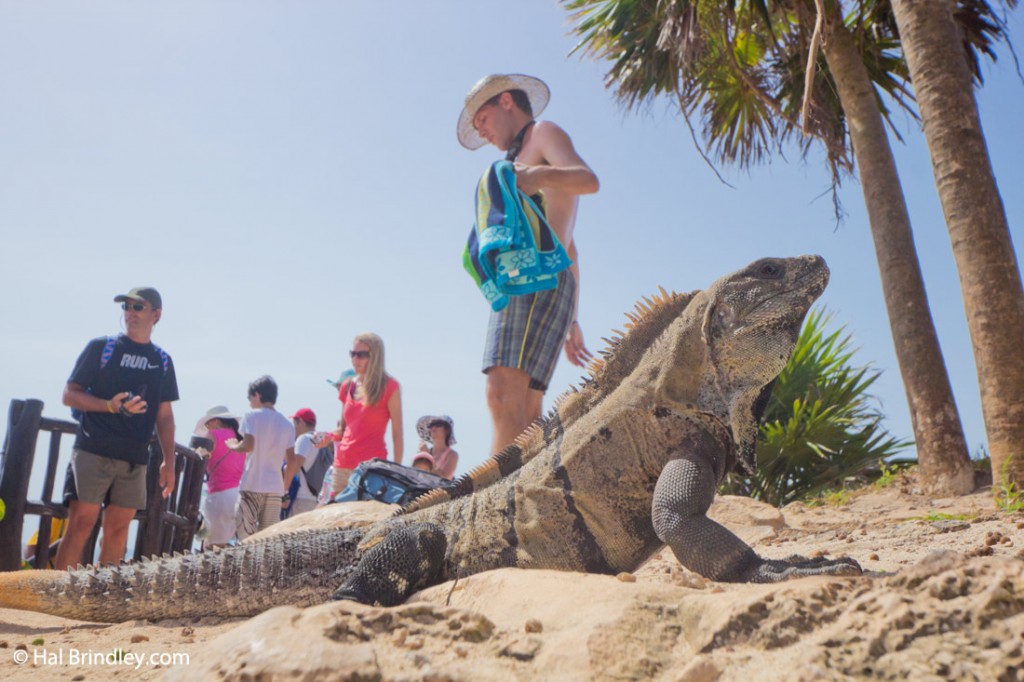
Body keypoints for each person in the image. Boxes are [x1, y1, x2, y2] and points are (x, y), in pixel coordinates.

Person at [458, 73, 599, 455]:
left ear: (505, 101)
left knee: (502, 391)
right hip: (556, 279)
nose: (482, 132)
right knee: (528, 404)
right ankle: (530, 499)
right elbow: (569, 245)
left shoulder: (542, 134)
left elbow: (588, 179)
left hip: (531, 274)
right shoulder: (513, 161)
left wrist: (536, 175)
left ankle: (497, 503)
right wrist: (572, 317)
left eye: (482, 120)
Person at [54, 287, 178, 570]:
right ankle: (54, 598)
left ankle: (100, 599)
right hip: (92, 450)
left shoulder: (162, 361)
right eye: (126, 307)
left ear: (156, 315)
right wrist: (109, 405)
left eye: (138, 307)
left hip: (134, 457)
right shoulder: (102, 347)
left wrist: (168, 462)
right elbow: (69, 395)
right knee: (81, 525)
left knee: (119, 531)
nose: (130, 313)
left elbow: (165, 415)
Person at [322, 333, 403, 499]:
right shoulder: (348, 386)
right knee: (335, 523)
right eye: (353, 354)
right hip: (342, 465)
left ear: (376, 356)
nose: (355, 359)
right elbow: (343, 429)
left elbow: (397, 434)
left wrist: (396, 472)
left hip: (371, 468)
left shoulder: (390, 386)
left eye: (361, 355)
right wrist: (328, 436)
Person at [226, 376, 296, 540]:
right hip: (275, 488)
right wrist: (284, 488)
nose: (250, 403)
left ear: (257, 395)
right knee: (268, 541)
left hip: (252, 484)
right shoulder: (287, 423)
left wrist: (233, 446)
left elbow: (248, 446)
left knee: (245, 538)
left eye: (250, 398)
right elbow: (291, 461)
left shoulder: (252, 416)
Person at [193, 405, 245, 549]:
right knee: (219, 542)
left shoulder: (213, 435)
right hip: (236, 495)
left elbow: (199, 456)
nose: (207, 427)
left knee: (213, 546)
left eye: (208, 423)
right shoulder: (239, 439)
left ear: (215, 421)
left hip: (218, 495)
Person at [288, 407, 321, 517]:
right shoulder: (321, 440)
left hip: (302, 499)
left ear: (300, 421)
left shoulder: (304, 439)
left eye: (294, 423)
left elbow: (294, 467)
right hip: (316, 499)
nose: (294, 427)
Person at [414, 414, 459, 480]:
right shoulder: (425, 452)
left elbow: (445, 476)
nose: (433, 428)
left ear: (447, 430)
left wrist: (427, 458)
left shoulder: (452, 455)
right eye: (431, 425)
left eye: (438, 424)